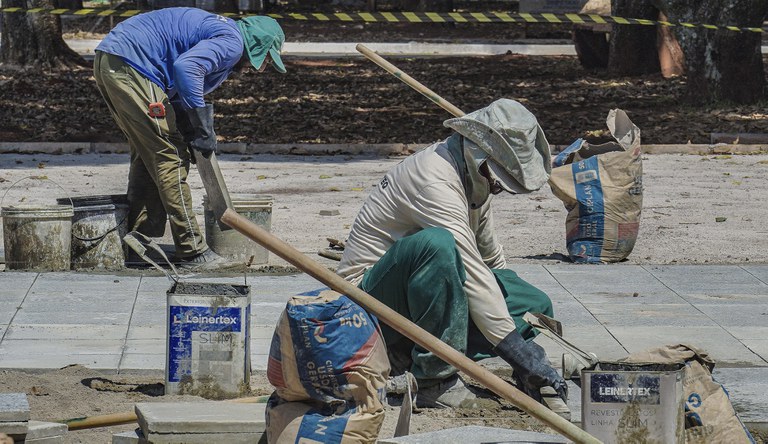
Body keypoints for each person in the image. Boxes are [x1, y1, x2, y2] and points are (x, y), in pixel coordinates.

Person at [337, 99, 567, 408]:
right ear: (478, 156)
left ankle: (419, 352)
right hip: (369, 309)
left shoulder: (475, 180)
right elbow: (472, 273)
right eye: (498, 180)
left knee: (533, 304)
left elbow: (490, 261)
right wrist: (519, 354)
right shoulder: (433, 179)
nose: (498, 188)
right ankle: (434, 380)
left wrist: (523, 346)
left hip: (417, 302)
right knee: (437, 245)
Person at [93, 8, 286, 270]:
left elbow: (177, 78)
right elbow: (187, 67)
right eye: (265, 60)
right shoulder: (232, 42)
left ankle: (139, 241)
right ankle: (192, 251)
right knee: (170, 156)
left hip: (115, 60)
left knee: (151, 150)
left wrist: (187, 123)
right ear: (258, 44)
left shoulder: (222, 30)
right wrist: (201, 124)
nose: (261, 69)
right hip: (134, 65)